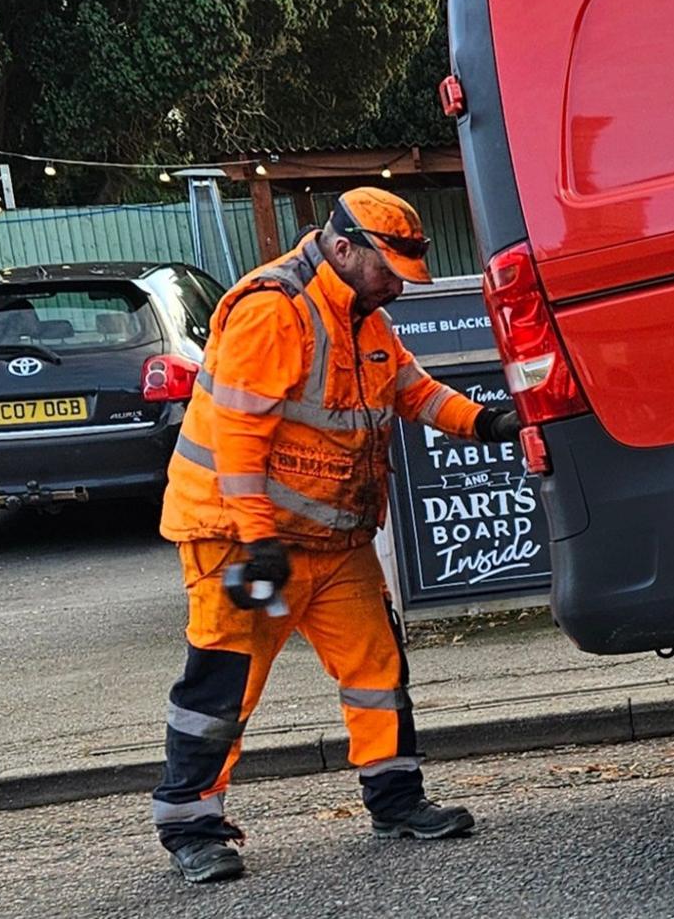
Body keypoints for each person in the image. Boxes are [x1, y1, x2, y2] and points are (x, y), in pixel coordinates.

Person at [149, 188, 522, 884]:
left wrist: (487, 423)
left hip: (330, 537)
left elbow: (412, 389)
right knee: (224, 684)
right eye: (389, 270)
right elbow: (238, 437)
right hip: (236, 533)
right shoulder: (273, 310)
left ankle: (396, 799)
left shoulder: (363, 313)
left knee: (377, 670)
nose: (396, 288)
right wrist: (259, 541)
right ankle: (190, 823)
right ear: (344, 248)